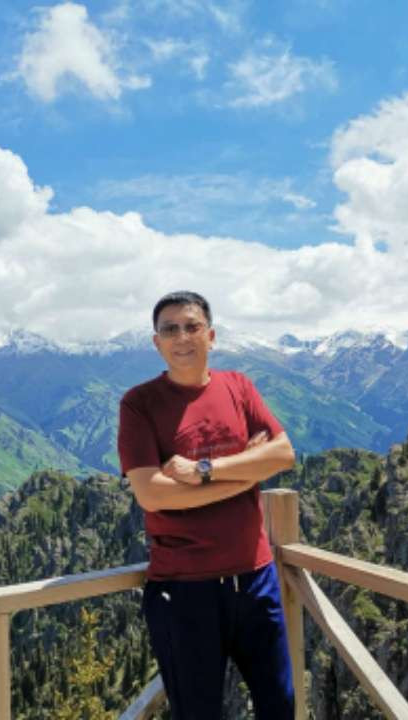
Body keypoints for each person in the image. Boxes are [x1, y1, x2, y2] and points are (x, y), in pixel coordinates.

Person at [117, 290, 296, 720]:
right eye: (170, 329)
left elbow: (283, 454)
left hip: (256, 579)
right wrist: (247, 473)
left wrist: (203, 470)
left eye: (192, 326)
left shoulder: (239, 387)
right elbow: (152, 494)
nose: (182, 337)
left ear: (211, 336)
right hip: (183, 590)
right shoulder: (139, 404)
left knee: (280, 705)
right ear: (156, 342)